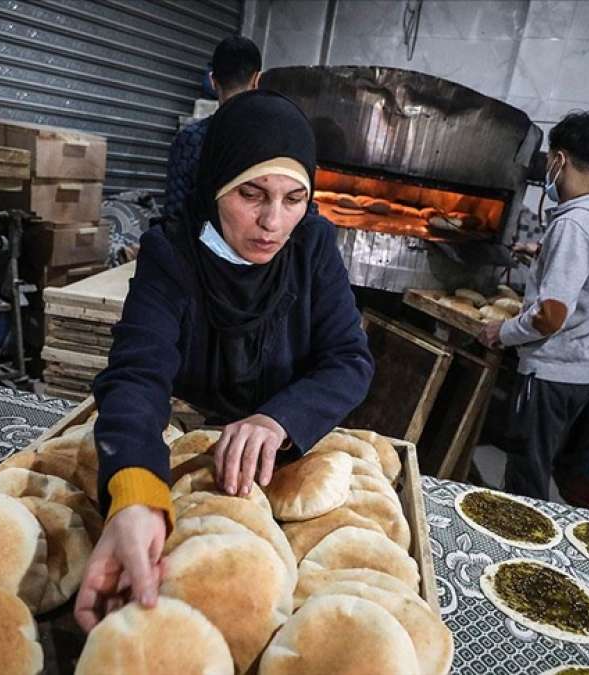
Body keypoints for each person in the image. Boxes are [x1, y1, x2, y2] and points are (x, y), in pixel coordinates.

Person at [74, 90, 374, 631]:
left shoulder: (312, 246)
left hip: (286, 446)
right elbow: (136, 375)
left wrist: (280, 418)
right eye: (251, 194)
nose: (272, 223)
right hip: (195, 442)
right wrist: (136, 489)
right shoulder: (173, 254)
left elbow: (349, 359)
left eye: (293, 198)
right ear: (217, 184)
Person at [479, 110, 589, 501]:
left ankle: (520, 550)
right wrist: (542, 253)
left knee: (526, 478)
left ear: (559, 160)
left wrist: (503, 332)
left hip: (550, 371)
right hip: (579, 371)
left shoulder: (574, 224)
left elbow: (550, 317)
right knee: (539, 463)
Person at [162, 35, 262, 226]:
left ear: (213, 81)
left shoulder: (189, 140)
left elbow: (174, 216)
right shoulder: (274, 140)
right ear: (257, 79)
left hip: (197, 251)